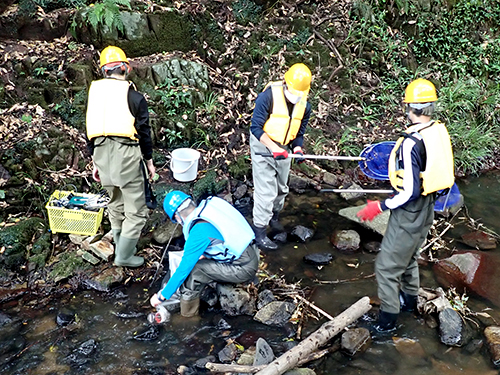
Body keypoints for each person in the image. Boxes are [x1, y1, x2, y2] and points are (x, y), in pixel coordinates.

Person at [356, 78, 454, 333]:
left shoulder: (411, 142)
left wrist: (379, 206)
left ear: (410, 108)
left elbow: (408, 191)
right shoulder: (436, 131)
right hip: (427, 208)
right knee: (409, 257)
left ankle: (386, 323)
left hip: (409, 211)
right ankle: (410, 304)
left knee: (386, 269)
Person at [86, 46, 155, 268]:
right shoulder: (134, 97)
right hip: (125, 154)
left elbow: (90, 127)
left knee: (115, 202)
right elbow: (144, 132)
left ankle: (120, 244)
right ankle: (124, 256)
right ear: (126, 68)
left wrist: (95, 162)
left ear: (104, 70)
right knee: (136, 209)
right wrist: (149, 161)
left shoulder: (93, 93)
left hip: (101, 153)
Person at [149, 191, 260, 317]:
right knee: (197, 260)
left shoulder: (198, 232)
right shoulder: (210, 206)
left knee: (196, 270)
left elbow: (183, 270)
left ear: (178, 217)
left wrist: (161, 297)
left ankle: (188, 315)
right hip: (252, 251)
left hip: (243, 267)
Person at [250, 63, 313, 250]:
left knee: (281, 187)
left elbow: (299, 132)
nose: (296, 96)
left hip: (284, 146)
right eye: (293, 91)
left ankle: (274, 217)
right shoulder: (267, 97)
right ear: (285, 83)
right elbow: (255, 128)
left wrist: (298, 149)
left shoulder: (305, 105)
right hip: (263, 143)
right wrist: (272, 148)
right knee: (266, 191)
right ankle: (259, 231)